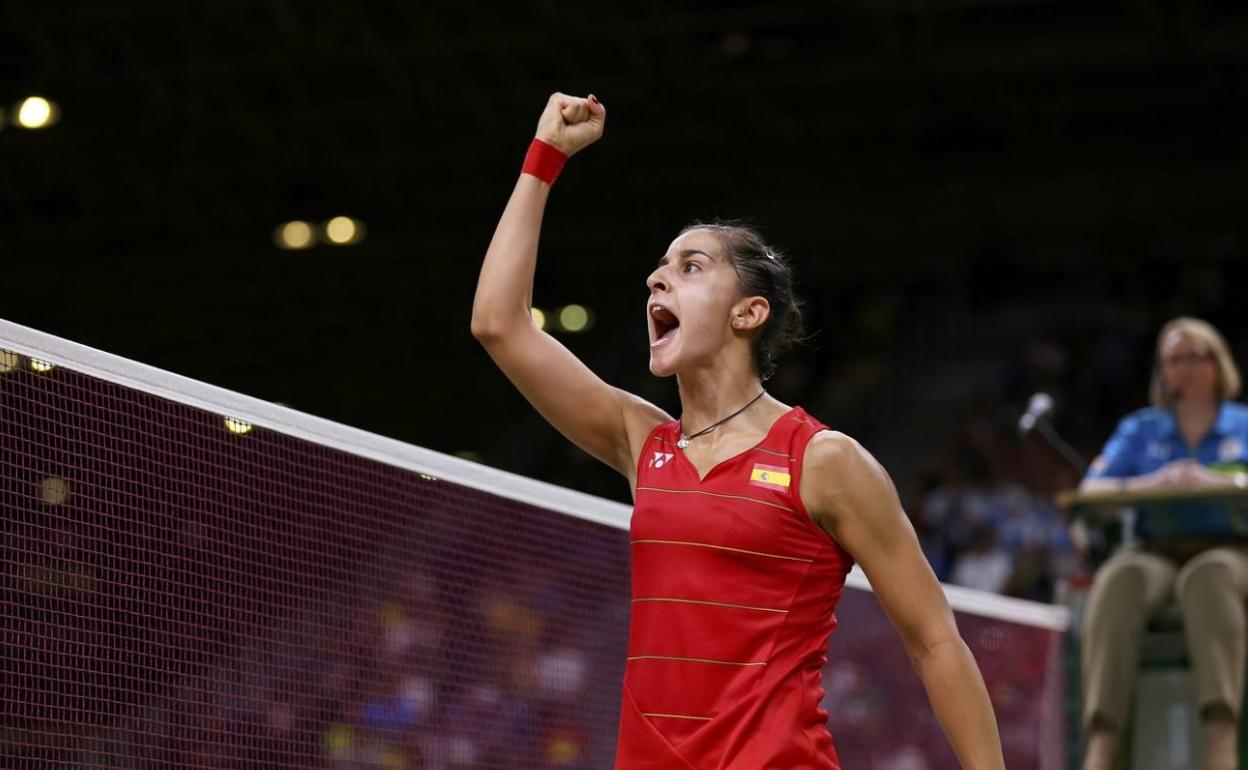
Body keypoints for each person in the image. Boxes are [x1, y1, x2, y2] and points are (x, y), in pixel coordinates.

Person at [471, 92, 1004, 770]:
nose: (657, 281)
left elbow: (935, 641)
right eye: (658, 272)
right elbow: (499, 323)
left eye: (690, 267)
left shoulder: (824, 460)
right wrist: (542, 160)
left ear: (749, 312)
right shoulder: (645, 443)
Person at [1079, 317, 1248, 770]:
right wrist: (1153, 481)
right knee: (1118, 580)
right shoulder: (1141, 429)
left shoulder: (1243, 424)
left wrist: (1213, 481)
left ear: (1218, 364)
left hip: (1230, 549)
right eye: (1174, 359)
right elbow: (1092, 492)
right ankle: (1103, 741)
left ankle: (1221, 737)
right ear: (1162, 371)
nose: (1185, 367)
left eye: (1195, 356)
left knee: (1208, 577)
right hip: (1154, 550)